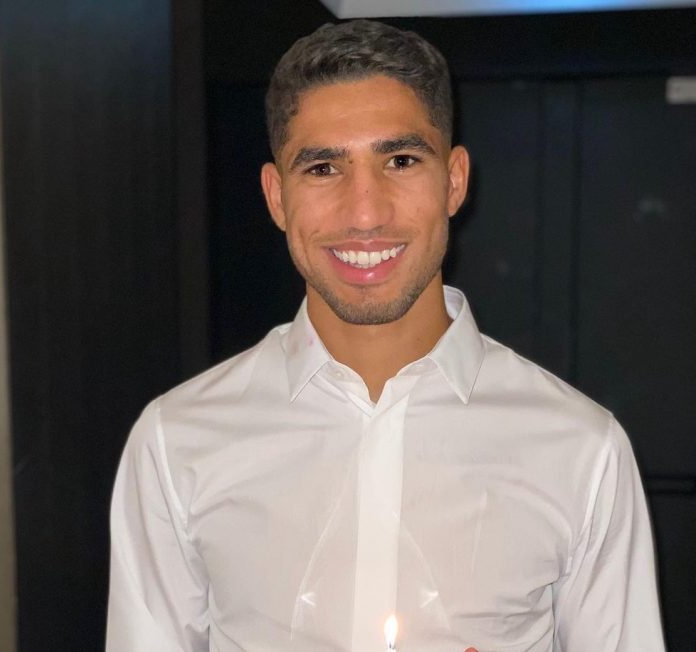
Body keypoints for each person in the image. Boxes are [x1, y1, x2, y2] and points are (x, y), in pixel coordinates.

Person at [106, 19, 665, 652]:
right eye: (323, 168)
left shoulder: (582, 450)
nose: (366, 213)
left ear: (454, 181)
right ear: (277, 197)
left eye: (400, 161)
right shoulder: (176, 442)